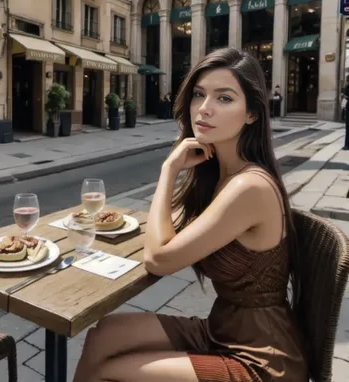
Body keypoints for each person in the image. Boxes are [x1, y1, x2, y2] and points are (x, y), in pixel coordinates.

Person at [73, 48, 307, 382]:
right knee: (103, 334)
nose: (204, 108)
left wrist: (169, 169)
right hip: (222, 328)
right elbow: (169, 233)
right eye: (199, 95)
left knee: (110, 372)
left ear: (252, 113)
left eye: (224, 98)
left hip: (260, 359)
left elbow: (157, 258)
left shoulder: (249, 187)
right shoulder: (220, 174)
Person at [343, 75, 349, 150]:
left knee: (348, 128)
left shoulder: (347, 87)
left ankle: (347, 145)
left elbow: (345, 98)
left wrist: (343, 107)